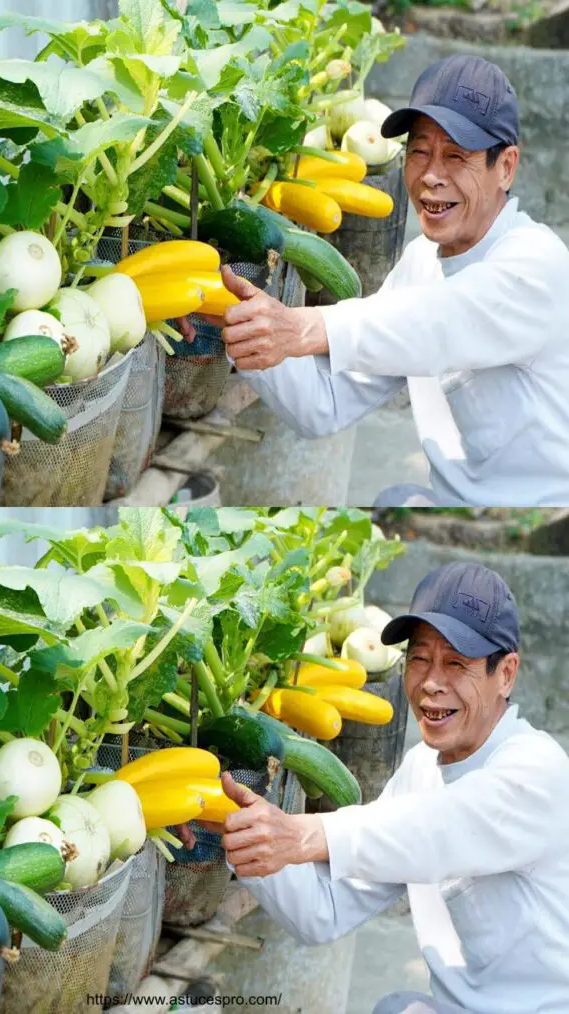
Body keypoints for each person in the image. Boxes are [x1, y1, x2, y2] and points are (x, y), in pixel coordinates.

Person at [179, 55, 569, 507]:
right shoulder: (423, 260)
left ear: (506, 167)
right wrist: (242, 321)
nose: (431, 176)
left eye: (456, 157)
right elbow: (323, 404)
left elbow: (439, 320)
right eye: (419, 151)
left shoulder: (537, 266)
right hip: (454, 503)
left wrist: (300, 327)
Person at [185, 562, 569, 1014]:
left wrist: (300, 833)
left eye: (456, 664)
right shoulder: (422, 769)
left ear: (506, 673)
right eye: (420, 658)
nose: (430, 683)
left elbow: (438, 828)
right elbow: (322, 912)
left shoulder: (538, 773)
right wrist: (242, 830)